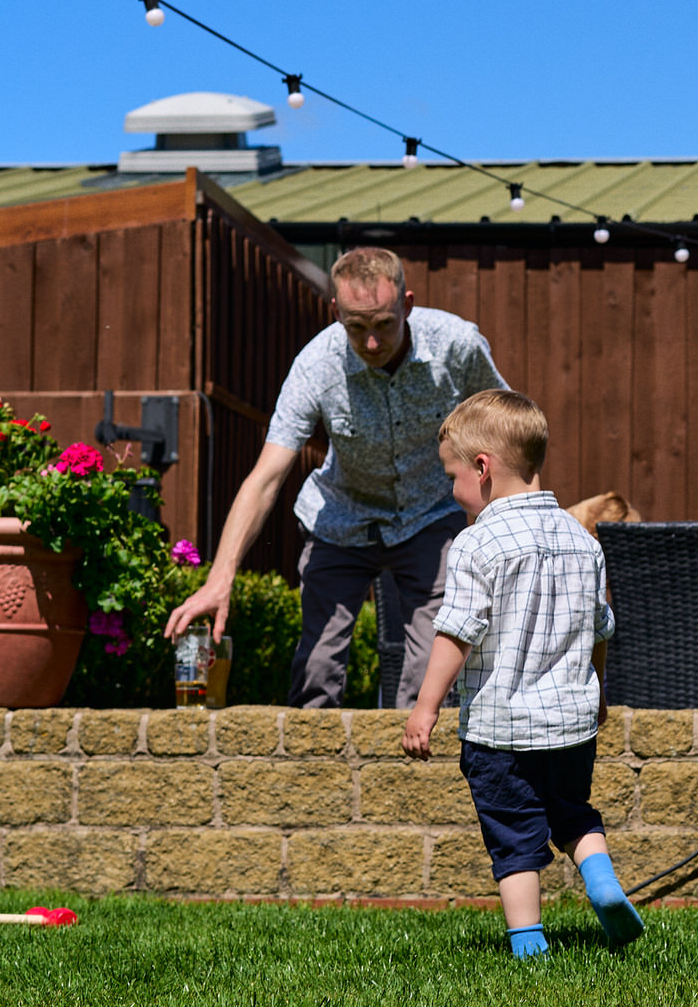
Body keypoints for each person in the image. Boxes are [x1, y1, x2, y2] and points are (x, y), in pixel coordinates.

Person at [164, 247, 508, 709]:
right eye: (356, 327)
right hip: (342, 519)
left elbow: (507, 429)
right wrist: (219, 578)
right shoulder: (316, 365)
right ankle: (310, 772)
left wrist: (506, 521)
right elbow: (266, 476)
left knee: (433, 674)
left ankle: (411, 772)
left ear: (407, 304)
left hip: (431, 515)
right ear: (335, 313)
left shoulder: (457, 345)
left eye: (384, 324)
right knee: (317, 669)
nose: (371, 343)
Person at [401, 390, 644, 956]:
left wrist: (426, 707)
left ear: (482, 468)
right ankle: (603, 883)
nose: (452, 488)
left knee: (514, 837)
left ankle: (529, 945)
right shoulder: (583, 540)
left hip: (499, 729)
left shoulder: (475, 542)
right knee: (573, 813)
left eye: (452, 475)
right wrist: (599, 691)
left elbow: (456, 632)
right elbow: (598, 628)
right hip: (570, 724)